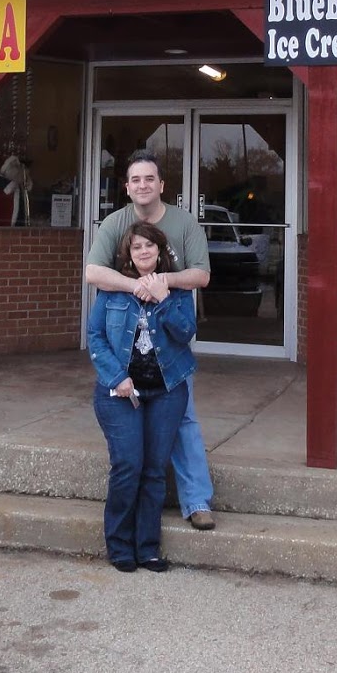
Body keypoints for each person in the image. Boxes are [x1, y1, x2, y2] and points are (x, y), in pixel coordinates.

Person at [85, 149, 218, 530]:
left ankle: (196, 501)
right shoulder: (114, 223)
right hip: (127, 347)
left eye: (150, 179)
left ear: (161, 185)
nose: (143, 185)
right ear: (127, 187)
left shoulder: (184, 222)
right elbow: (93, 272)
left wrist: (162, 285)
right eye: (136, 180)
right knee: (132, 437)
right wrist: (136, 286)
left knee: (185, 420)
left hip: (170, 343)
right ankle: (137, 518)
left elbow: (202, 275)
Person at [87, 221, 197, 572]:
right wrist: (117, 377)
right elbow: (96, 337)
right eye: (137, 247)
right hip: (120, 392)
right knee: (128, 465)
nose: (144, 252)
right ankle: (119, 545)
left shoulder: (177, 291)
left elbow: (185, 334)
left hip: (166, 391)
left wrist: (164, 300)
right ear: (129, 254)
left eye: (150, 246)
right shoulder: (113, 290)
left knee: (153, 470)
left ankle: (147, 547)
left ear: (160, 251)